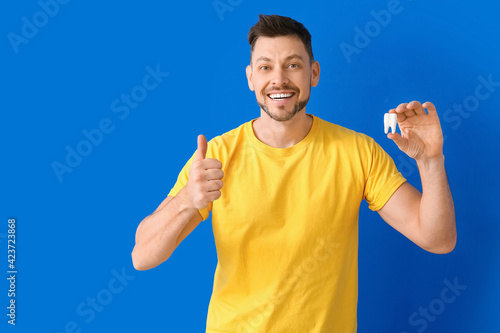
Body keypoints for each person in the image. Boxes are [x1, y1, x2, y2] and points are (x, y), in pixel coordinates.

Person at [131, 14, 456, 332]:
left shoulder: (357, 152)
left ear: (313, 73)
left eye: (293, 65)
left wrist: (430, 160)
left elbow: (437, 239)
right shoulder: (216, 156)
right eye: (265, 67)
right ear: (250, 78)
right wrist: (188, 198)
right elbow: (142, 256)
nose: (279, 79)